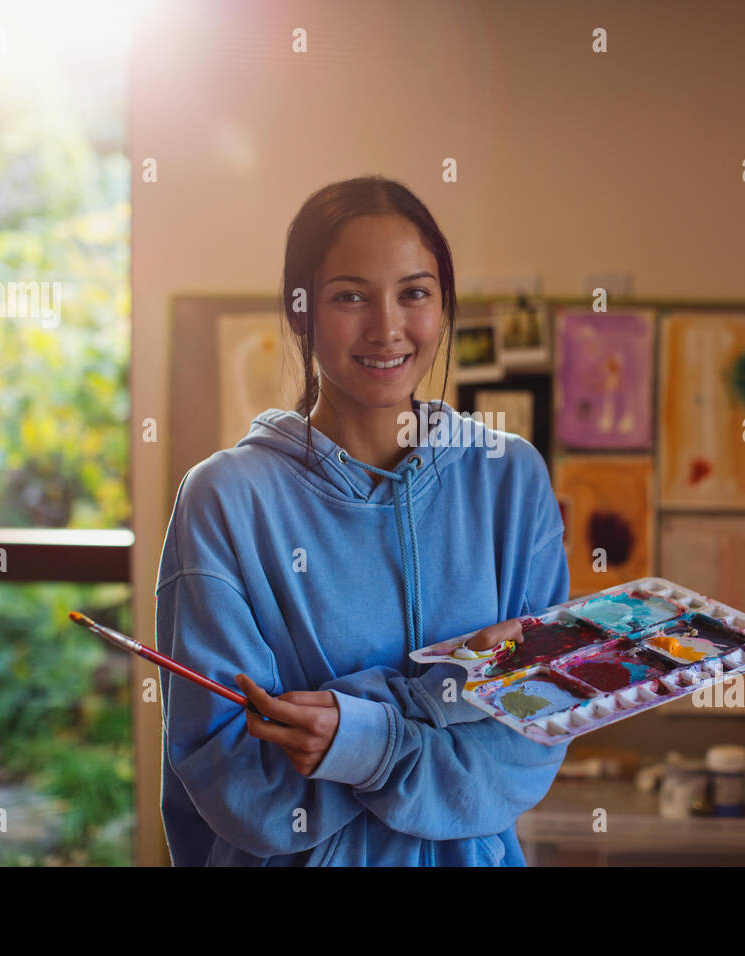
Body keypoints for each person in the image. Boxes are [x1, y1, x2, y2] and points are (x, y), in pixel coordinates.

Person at [155, 175, 569, 866]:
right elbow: (234, 776)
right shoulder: (225, 500)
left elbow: (533, 738)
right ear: (300, 313)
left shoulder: (510, 479)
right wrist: (457, 693)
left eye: (414, 293)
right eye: (350, 296)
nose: (387, 329)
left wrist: (362, 740)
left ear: (443, 308)